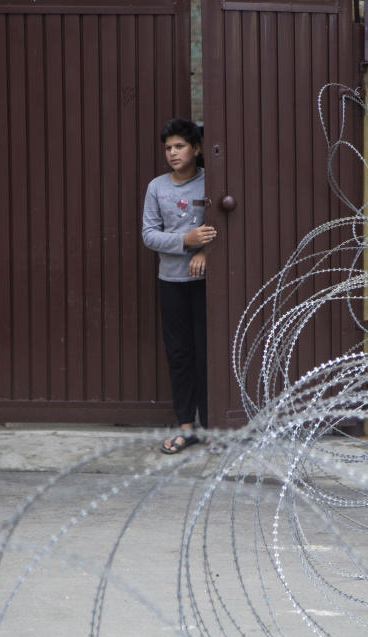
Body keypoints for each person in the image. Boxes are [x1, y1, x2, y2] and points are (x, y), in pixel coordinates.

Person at [142, 118, 216, 454]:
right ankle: (186, 427)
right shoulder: (157, 187)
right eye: (168, 148)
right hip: (171, 282)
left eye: (180, 146)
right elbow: (148, 234)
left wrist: (205, 251)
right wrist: (186, 241)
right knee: (180, 355)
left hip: (205, 285)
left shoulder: (210, 183)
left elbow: (226, 225)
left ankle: (212, 427)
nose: (173, 153)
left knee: (206, 353)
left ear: (197, 149)